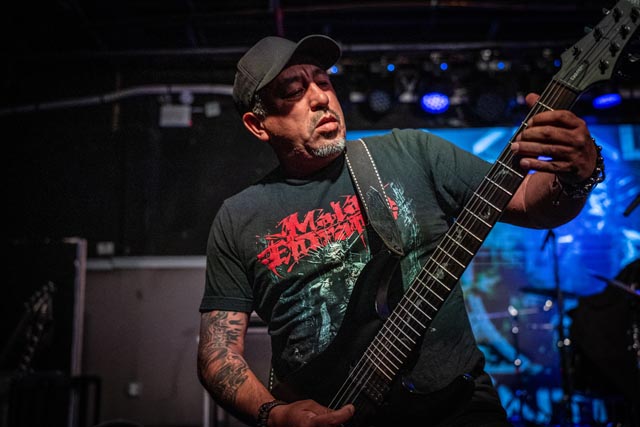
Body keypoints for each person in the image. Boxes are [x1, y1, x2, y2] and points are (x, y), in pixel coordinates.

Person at [197, 34, 602, 427]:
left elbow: (529, 203)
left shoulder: (410, 152)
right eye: (294, 91)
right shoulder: (238, 217)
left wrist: (579, 175)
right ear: (258, 124)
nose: (320, 97)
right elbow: (218, 354)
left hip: (456, 405)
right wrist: (273, 414)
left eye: (323, 81)